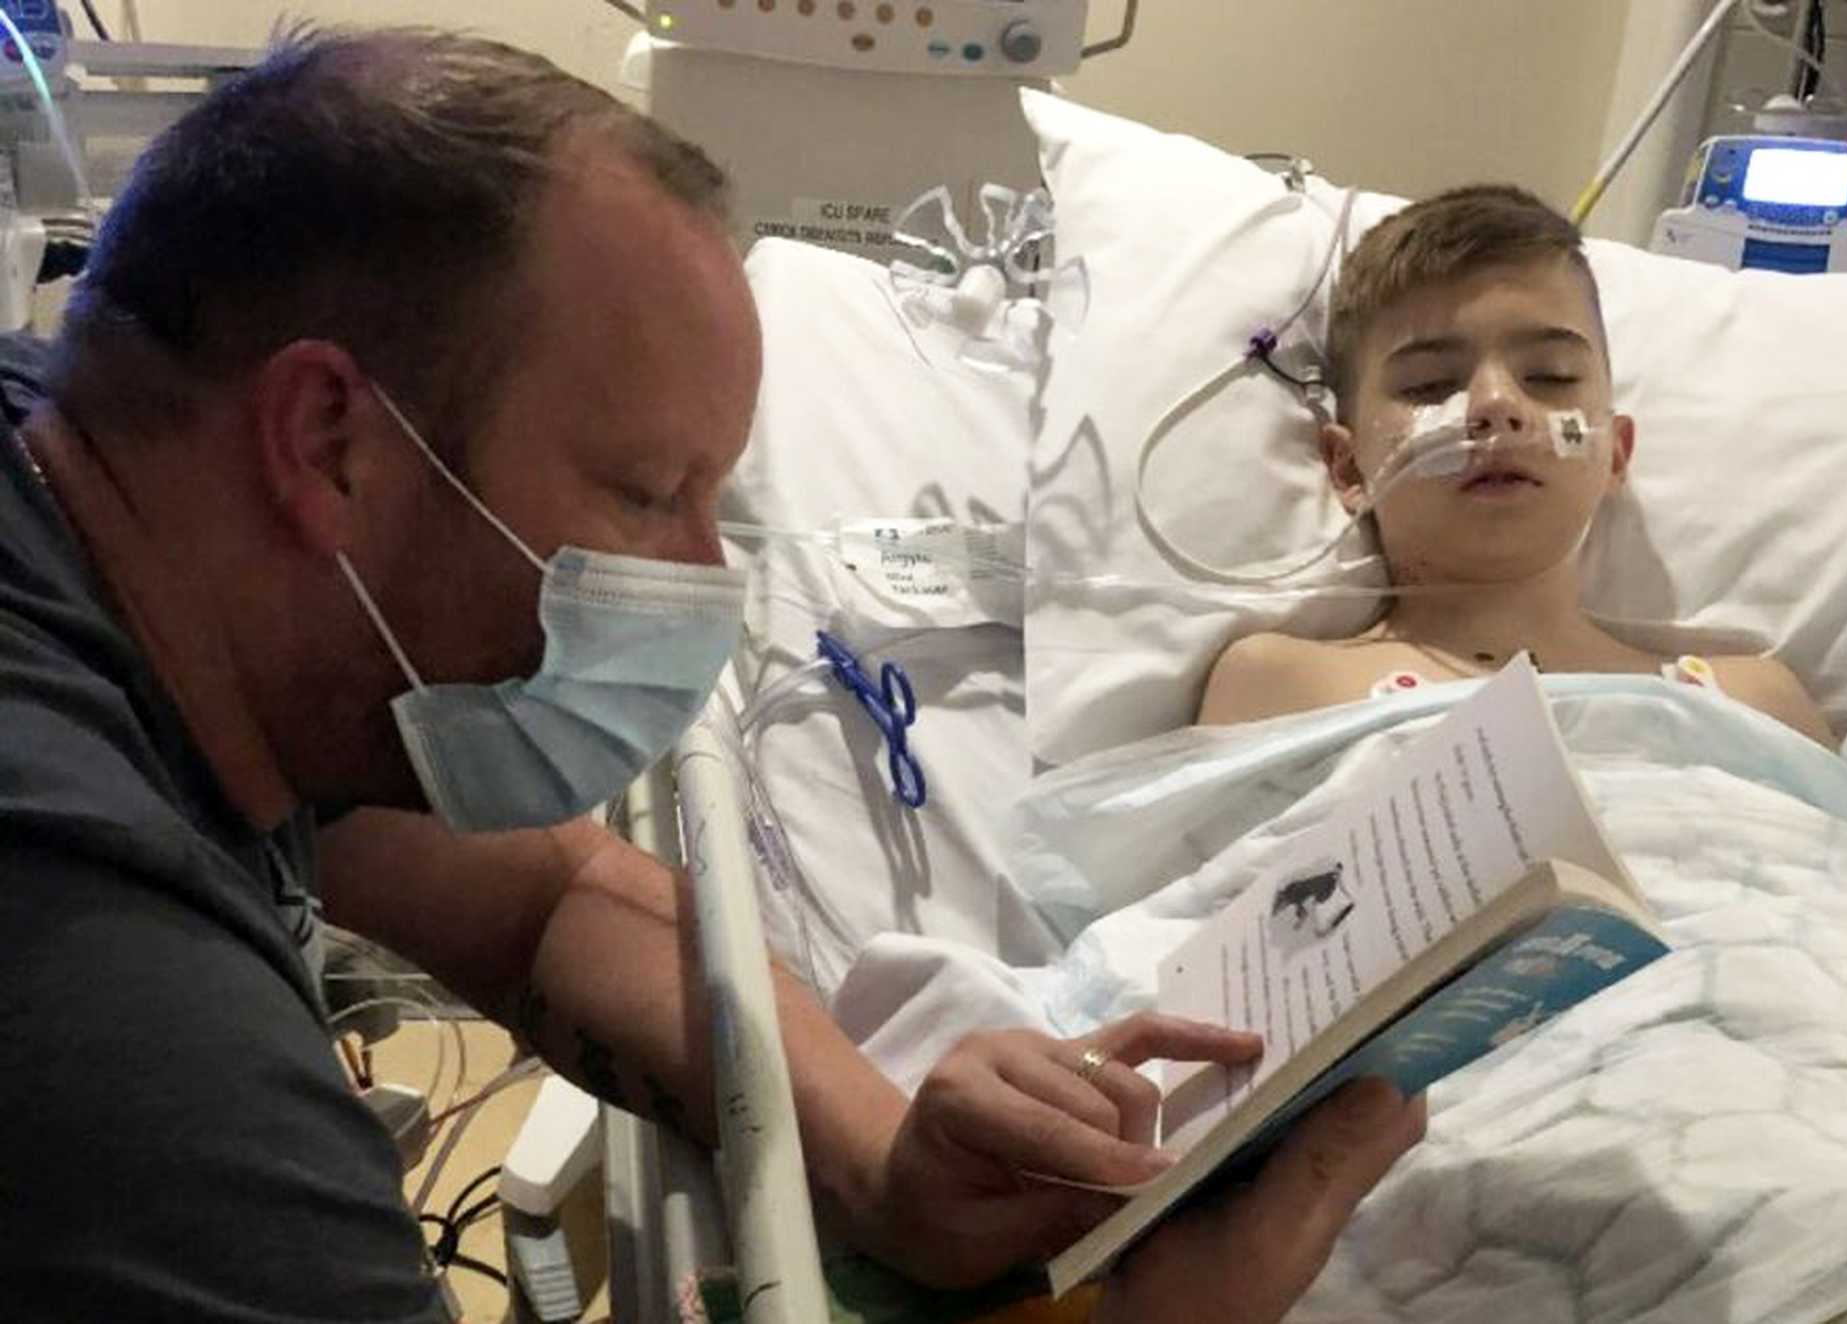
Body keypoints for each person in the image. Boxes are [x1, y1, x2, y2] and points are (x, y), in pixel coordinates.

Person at [0, 28, 1420, 1322]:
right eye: (645, 491)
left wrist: (889, 1170)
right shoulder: (110, 1011)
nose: (704, 580)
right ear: (326, 443)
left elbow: (553, 897)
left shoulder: (103, 505)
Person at [1200, 184, 1838, 748]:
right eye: (1429, 386)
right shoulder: (1285, 687)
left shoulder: (1756, 704)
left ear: (1615, 454)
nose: (1496, 406)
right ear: (1348, 470)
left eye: (1549, 376)